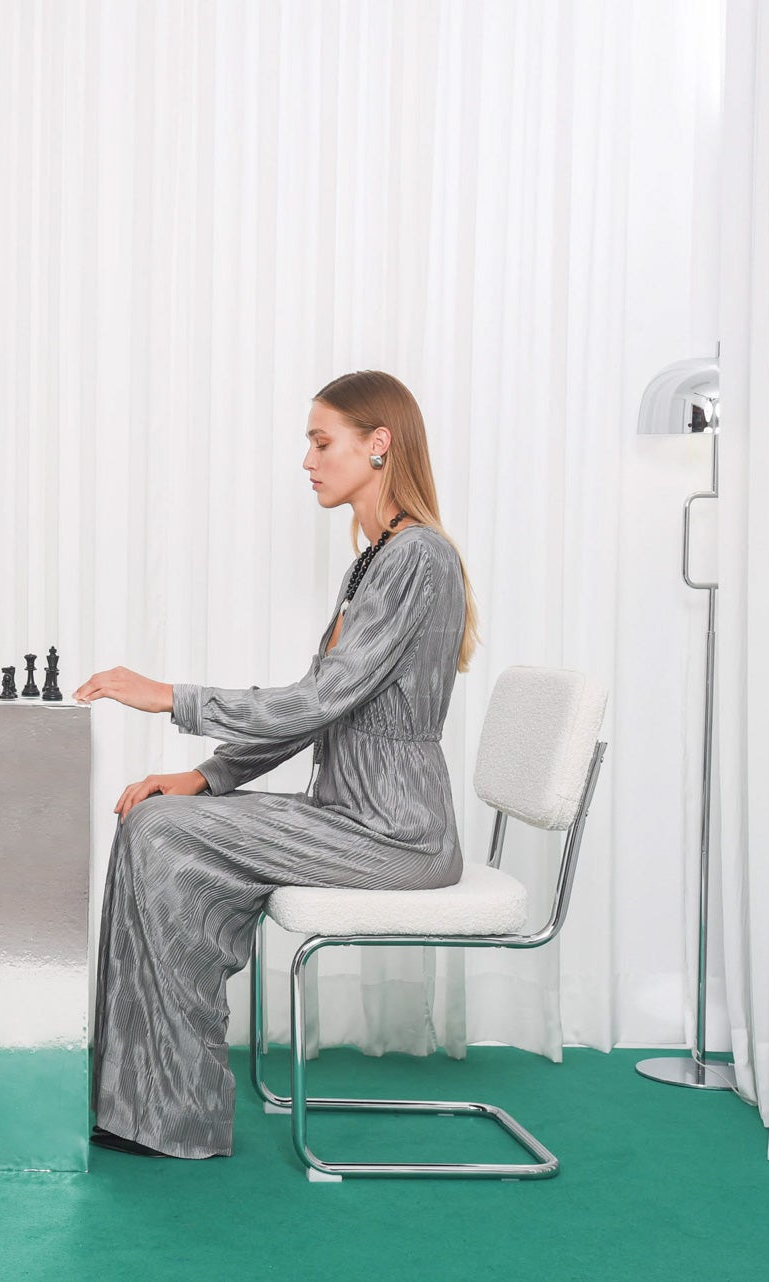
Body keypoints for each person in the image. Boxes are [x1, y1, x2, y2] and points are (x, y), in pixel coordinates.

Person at [73, 370, 479, 1159]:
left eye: (322, 442)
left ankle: (170, 1112)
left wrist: (170, 698)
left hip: (397, 836)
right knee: (156, 818)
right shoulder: (377, 561)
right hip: (351, 819)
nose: (307, 461)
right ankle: (145, 1103)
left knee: (162, 834)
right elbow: (320, 705)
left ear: (379, 444)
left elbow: (317, 700)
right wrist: (205, 777)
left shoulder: (417, 559)